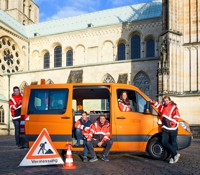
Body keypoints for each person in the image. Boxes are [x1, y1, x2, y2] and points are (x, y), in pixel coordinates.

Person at [150, 96, 180, 164]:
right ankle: (175, 154)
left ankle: (173, 158)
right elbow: (157, 105)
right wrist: (152, 101)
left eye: (167, 100)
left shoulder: (174, 107)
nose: (165, 102)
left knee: (173, 143)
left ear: (169, 100)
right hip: (165, 129)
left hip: (172, 128)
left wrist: (172, 122)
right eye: (164, 100)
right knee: (164, 142)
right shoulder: (162, 107)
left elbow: (177, 116)